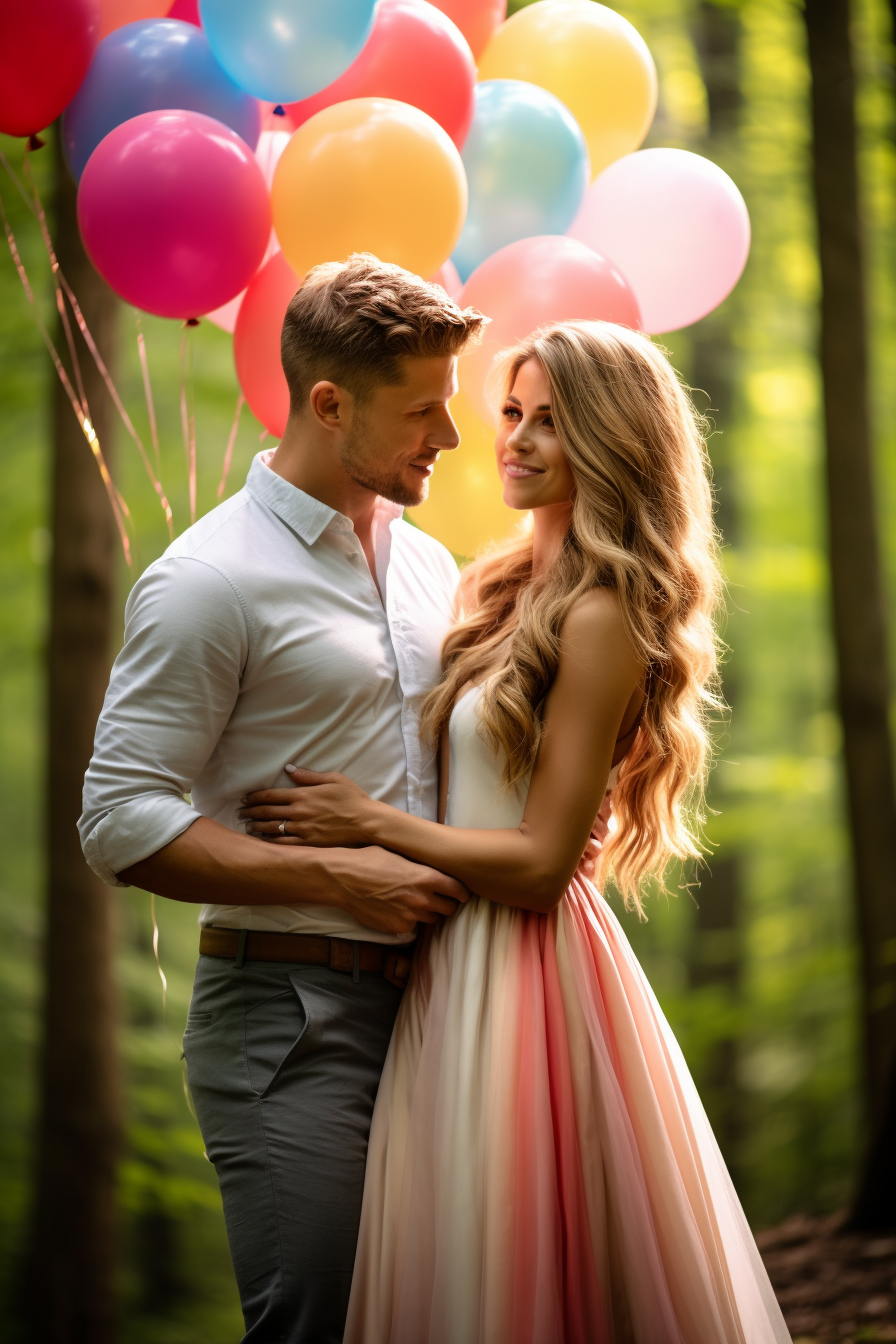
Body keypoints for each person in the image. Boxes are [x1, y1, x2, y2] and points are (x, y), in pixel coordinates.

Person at [240, 321, 793, 1343]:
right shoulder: (491, 591)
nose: (516, 440)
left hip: (524, 968)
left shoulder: (601, 612)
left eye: (552, 422)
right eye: (511, 415)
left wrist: (371, 825)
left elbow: (541, 864)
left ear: (612, 443)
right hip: (448, 959)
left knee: (517, 1255)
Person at [78, 255, 488, 1344]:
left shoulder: (431, 568)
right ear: (326, 402)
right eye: (422, 410)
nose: (447, 437)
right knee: (320, 1321)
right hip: (289, 1022)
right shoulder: (208, 580)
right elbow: (118, 817)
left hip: (449, 1008)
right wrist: (329, 873)